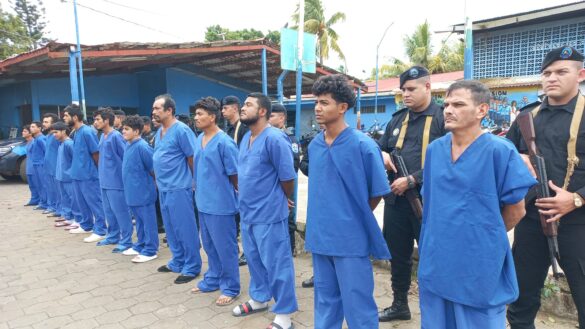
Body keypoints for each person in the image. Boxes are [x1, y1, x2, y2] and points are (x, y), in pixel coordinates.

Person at [418, 80, 536, 328]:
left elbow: (516, 210)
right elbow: (431, 203)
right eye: (446, 104)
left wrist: (482, 236)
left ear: (482, 110)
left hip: (477, 262)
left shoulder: (499, 151)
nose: (448, 110)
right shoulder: (435, 150)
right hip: (437, 258)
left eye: (458, 104)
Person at [506, 46, 585, 329]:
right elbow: (503, 155)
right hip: (531, 219)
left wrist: (576, 199)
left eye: (561, 72)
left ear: (580, 75)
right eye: (547, 73)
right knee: (521, 300)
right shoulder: (528, 117)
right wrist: (516, 156)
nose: (552, 78)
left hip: (578, 223)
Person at [306, 74, 391, 328]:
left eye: (324, 103)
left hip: (350, 239)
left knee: (358, 304)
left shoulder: (364, 145)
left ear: (342, 107)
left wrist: (353, 216)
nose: (318, 108)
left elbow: (377, 190)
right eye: (316, 102)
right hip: (321, 236)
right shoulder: (315, 145)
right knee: (325, 300)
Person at [377, 66, 447, 322]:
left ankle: (436, 312)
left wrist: (413, 179)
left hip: (428, 203)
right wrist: (381, 154)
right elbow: (380, 148)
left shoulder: (442, 117)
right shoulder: (397, 119)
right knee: (398, 255)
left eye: (411, 89)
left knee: (432, 256)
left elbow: (451, 159)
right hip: (396, 202)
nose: (405, 94)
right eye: (403, 89)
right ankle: (399, 305)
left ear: (427, 87)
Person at [231, 92, 297, 329]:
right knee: (254, 260)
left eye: (248, 105)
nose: (243, 108)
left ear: (262, 111)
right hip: (248, 213)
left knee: (277, 264)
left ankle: (285, 315)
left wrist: (280, 197)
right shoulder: (247, 137)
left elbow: (288, 178)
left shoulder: (275, 138)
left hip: (268, 214)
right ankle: (259, 298)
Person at [190, 97, 240, 306]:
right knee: (209, 245)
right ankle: (212, 278)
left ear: (213, 116)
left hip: (221, 204)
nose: (196, 118)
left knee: (225, 247)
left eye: (201, 114)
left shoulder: (224, 142)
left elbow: (235, 175)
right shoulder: (199, 138)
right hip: (203, 202)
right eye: (196, 114)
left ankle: (231, 286)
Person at [152, 94, 202, 284]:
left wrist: (195, 183)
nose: (154, 112)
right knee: (171, 229)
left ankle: (192, 266)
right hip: (164, 188)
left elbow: (192, 157)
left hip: (180, 187)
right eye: (154, 108)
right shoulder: (160, 131)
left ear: (169, 110)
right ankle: (178, 260)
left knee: (185, 227)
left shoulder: (181, 130)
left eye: (157, 108)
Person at [62, 104, 107, 241]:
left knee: (94, 202)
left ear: (75, 117)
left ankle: (101, 229)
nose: (64, 118)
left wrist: (97, 172)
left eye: (66, 116)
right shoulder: (75, 133)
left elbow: (95, 153)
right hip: (77, 174)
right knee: (82, 202)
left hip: (88, 175)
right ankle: (86, 225)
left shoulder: (87, 132)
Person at [93, 108, 133, 252]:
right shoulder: (102, 136)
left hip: (116, 182)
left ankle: (127, 240)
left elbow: (126, 158)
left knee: (121, 212)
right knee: (109, 212)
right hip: (104, 181)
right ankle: (113, 235)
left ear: (107, 120)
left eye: (98, 119)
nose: (95, 122)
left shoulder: (116, 136)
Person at [120, 115, 159, 263]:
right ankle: (140, 244)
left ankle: (151, 249)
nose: (123, 131)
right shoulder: (128, 145)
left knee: (148, 222)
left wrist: (152, 187)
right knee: (140, 221)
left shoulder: (142, 147)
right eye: (123, 128)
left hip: (143, 192)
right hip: (132, 192)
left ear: (136, 132)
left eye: (127, 129)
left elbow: (153, 169)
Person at [221, 95, 249, 267]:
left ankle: (247, 252)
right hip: (233, 180)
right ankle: (237, 249)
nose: (223, 111)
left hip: (242, 179)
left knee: (245, 217)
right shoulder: (229, 130)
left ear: (234, 108)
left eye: (226, 108)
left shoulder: (244, 129)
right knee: (236, 219)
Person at [269, 103, 300, 255]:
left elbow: (293, 165)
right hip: (271, 186)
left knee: (289, 214)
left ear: (282, 118)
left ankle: (291, 247)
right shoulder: (264, 137)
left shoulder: (290, 138)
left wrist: (284, 189)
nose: (268, 119)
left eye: (272, 116)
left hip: (286, 183)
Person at [51, 121, 75, 228]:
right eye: (53, 132)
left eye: (56, 132)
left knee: (72, 198)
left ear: (64, 131)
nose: (54, 135)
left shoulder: (69, 144)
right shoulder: (61, 144)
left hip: (69, 178)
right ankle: (68, 217)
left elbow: (75, 161)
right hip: (61, 177)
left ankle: (75, 219)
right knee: (65, 199)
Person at [41, 113, 62, 217]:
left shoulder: (56, 136)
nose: (43, 124)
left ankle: (60, 210)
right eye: (43, 121)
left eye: (46, 122)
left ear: (53, 124)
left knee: (58, 191)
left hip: (55, 167)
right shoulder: (48, 136)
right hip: (48, 168)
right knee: (51, 189)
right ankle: (53, 207)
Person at [29, 121, 48, 211]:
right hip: (36, 164)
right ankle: (42, 202)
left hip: (41, 164)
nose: (31, 128)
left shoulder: (41, 139)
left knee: (44, 184)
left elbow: (46, 152)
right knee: (39, 184)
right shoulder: (36, 139)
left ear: (39, 128)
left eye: (33, 127)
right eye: (30, 127)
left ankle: (46, 203)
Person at [22, 125, 39, 206]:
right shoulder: (27, 143)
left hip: (34, 167)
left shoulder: (34, 142)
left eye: (25, 131)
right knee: (31, 185)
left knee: (37, 185)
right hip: (29, 167)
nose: (23, 132)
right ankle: (34, 199)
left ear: (30, 133)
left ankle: (40, 200)